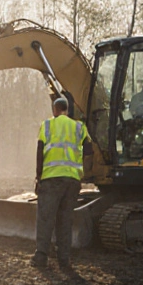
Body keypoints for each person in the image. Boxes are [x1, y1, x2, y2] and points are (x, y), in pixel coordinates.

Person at [32, 97, 92, 272]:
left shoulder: (47, 125)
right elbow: (89, 151)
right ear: (67, 109)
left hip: (51, 179)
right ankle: (64, 260)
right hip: (72, 181)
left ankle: (41, 257)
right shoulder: (79, 127)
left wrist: (38, 177)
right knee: (65, 221)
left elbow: (40, 152)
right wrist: (81, 174)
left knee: (46, 218)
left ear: (54, 109)